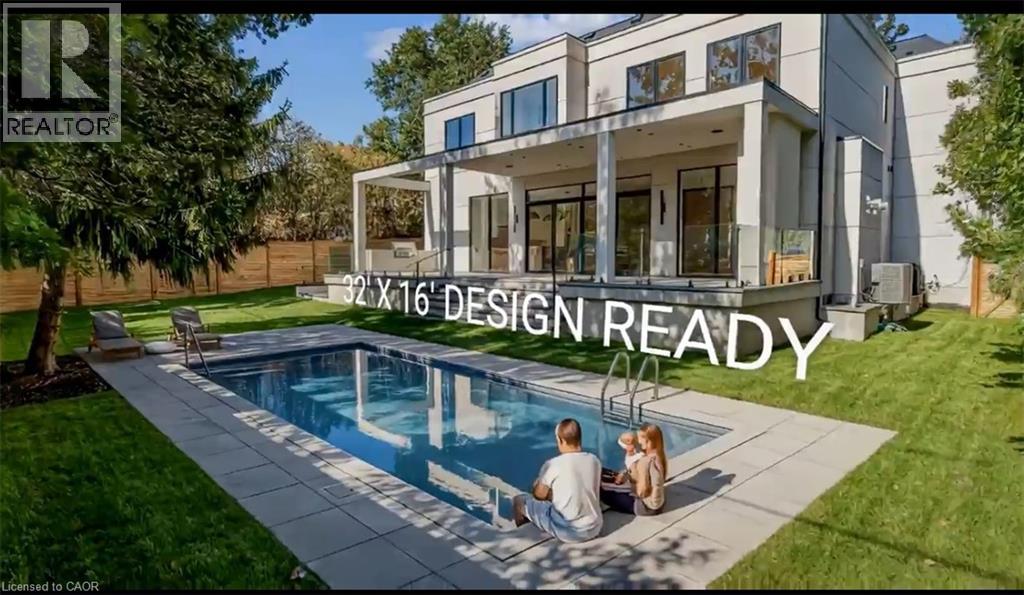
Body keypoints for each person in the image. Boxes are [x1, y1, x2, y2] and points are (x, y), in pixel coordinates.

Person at [513, 418, 603, 543]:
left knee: (519, 501)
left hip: (569, 531)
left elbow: (539, 496)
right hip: (594, 527)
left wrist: (536, 485)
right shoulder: (594, 460)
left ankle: (522, 541)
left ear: (561, 440)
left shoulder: (553, 464)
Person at [599, 423, 667, 517]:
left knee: (604, 494)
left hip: (644, 506)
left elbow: (645, 488)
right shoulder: (658, 456)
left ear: (649, 440)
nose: (638, 441)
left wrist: (652, 504)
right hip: (654, 504)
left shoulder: (646, 462)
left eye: (640, 438)